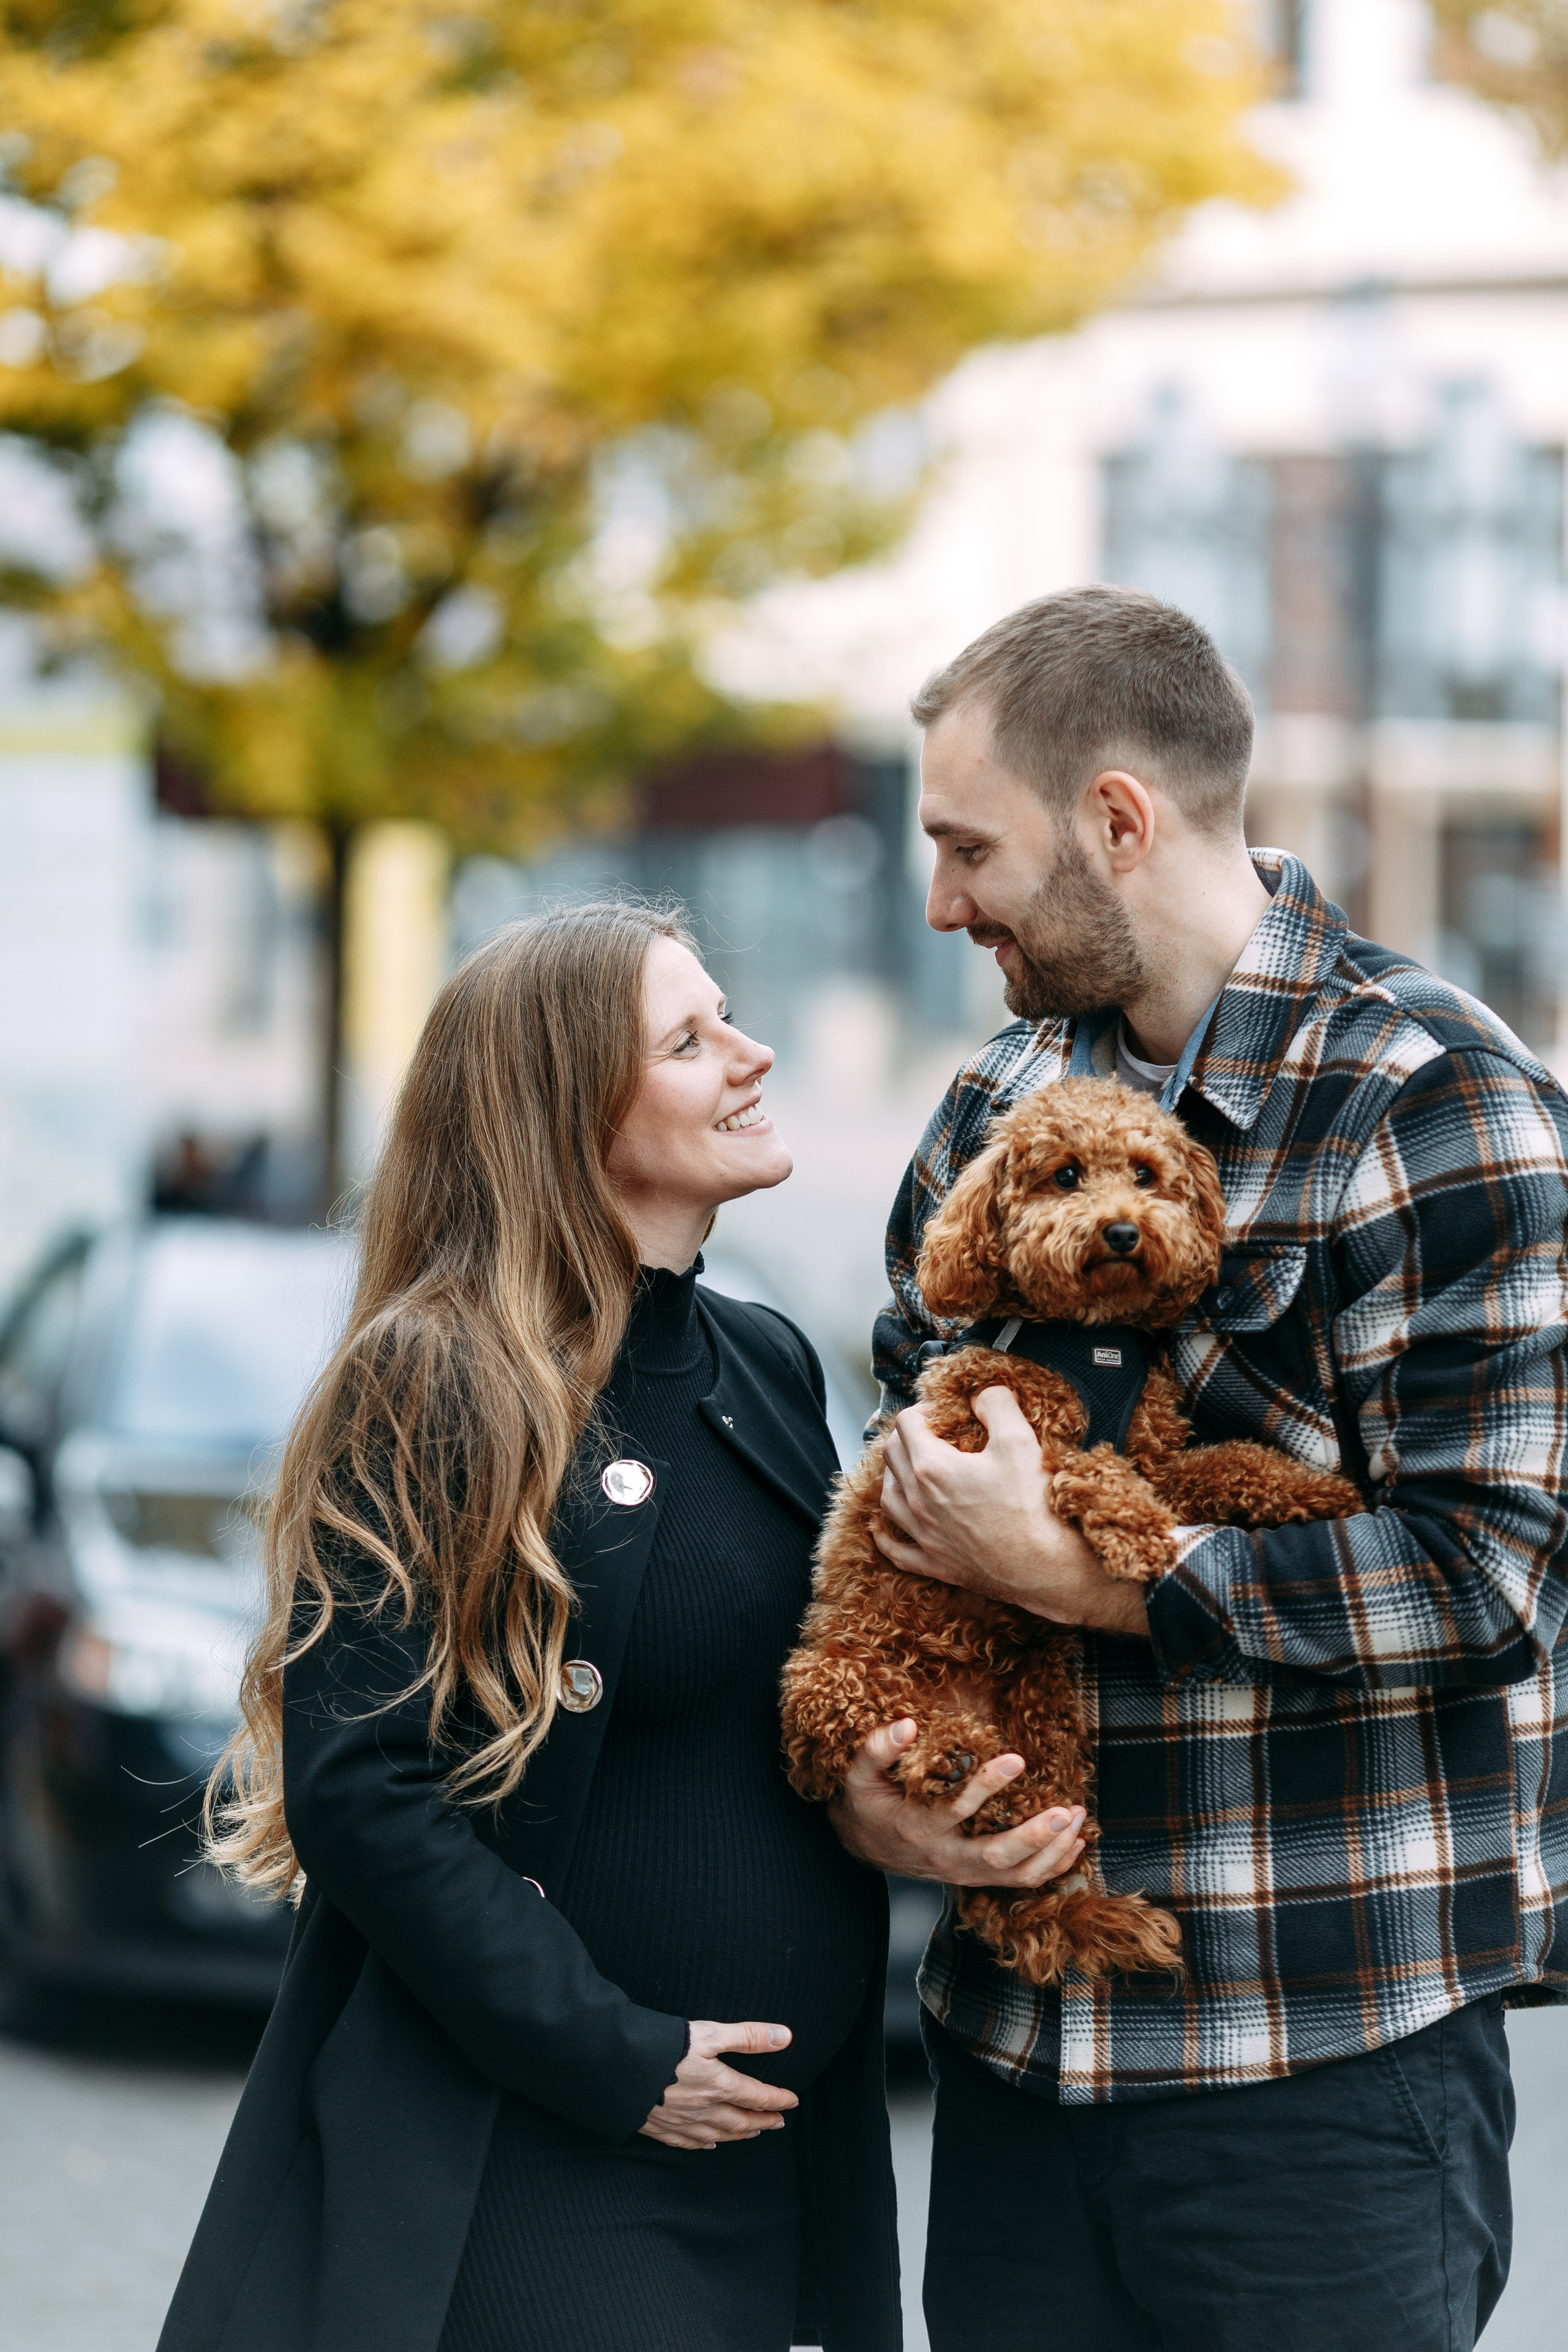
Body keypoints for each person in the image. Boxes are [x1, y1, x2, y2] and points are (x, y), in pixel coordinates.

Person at [827, 585, 1568, 2352]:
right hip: (1014, 2072)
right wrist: (872, 1792)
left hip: (1319, 2082)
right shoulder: (989, 1111)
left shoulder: (1436, 1098)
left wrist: (1095, 1575)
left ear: (1117, 821)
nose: (941, 903)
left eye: (964, 846)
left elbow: (1495, 1578)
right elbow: (891, 1507)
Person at [157, 902, 912, 2352]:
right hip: (547, 2165)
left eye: (725, 1016)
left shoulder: (757, 1357)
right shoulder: (443, 1377)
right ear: (566, 1113)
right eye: (688, 1042)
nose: (751, 1056)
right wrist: (616, 2057)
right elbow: (358, 1787)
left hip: (770, 2166)